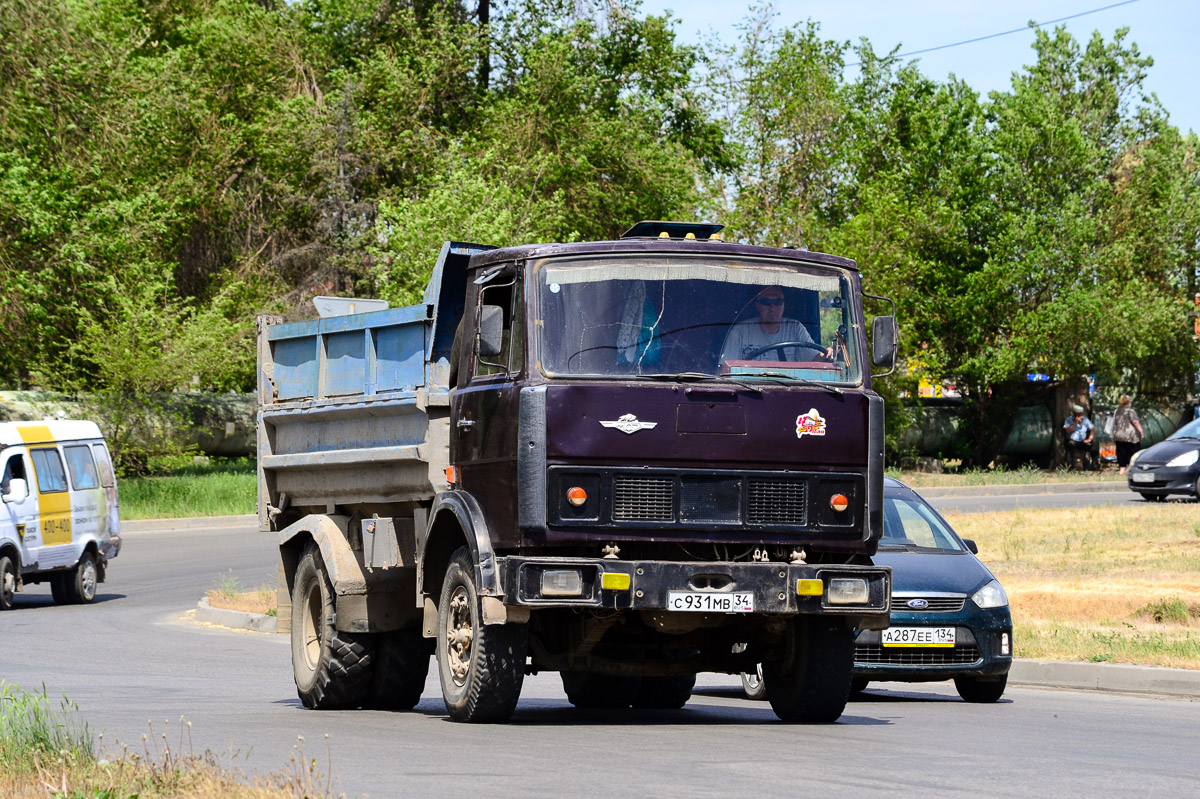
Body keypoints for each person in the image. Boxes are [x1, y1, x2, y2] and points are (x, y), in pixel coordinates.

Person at [719, 286, 833, 364]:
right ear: (757, 305)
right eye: (766, 302)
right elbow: (726, 369)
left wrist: (826, 355)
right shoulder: (741, 331)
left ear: (784, 304)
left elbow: (814, 360)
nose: (773, 308)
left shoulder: (795, 328)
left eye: (778, 302)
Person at [1111, 394, 1145, 475]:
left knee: (1121, 452)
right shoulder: (1130, 411)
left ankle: (1122, 470)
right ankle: (1131, 468)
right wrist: (1141, 431)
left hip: (1118, 435)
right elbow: (1135, 422)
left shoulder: (1117, 411)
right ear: (1129, 402)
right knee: (1134, 452)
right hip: (1130, 436)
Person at [1063, 405, 1095, 469]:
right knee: (1071, 446)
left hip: (1082, 441)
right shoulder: (1069, 419)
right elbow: (1067, 431)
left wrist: (1090, 438)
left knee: (1094, 449)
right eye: (1078, 414)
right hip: (1072, 440)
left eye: (1080, 414)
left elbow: (1092, 428)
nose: (1080, 415)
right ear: (1074, 413)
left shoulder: (1085, 420)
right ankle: (1071, 466)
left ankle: (1091, 466)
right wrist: (1075, 423)